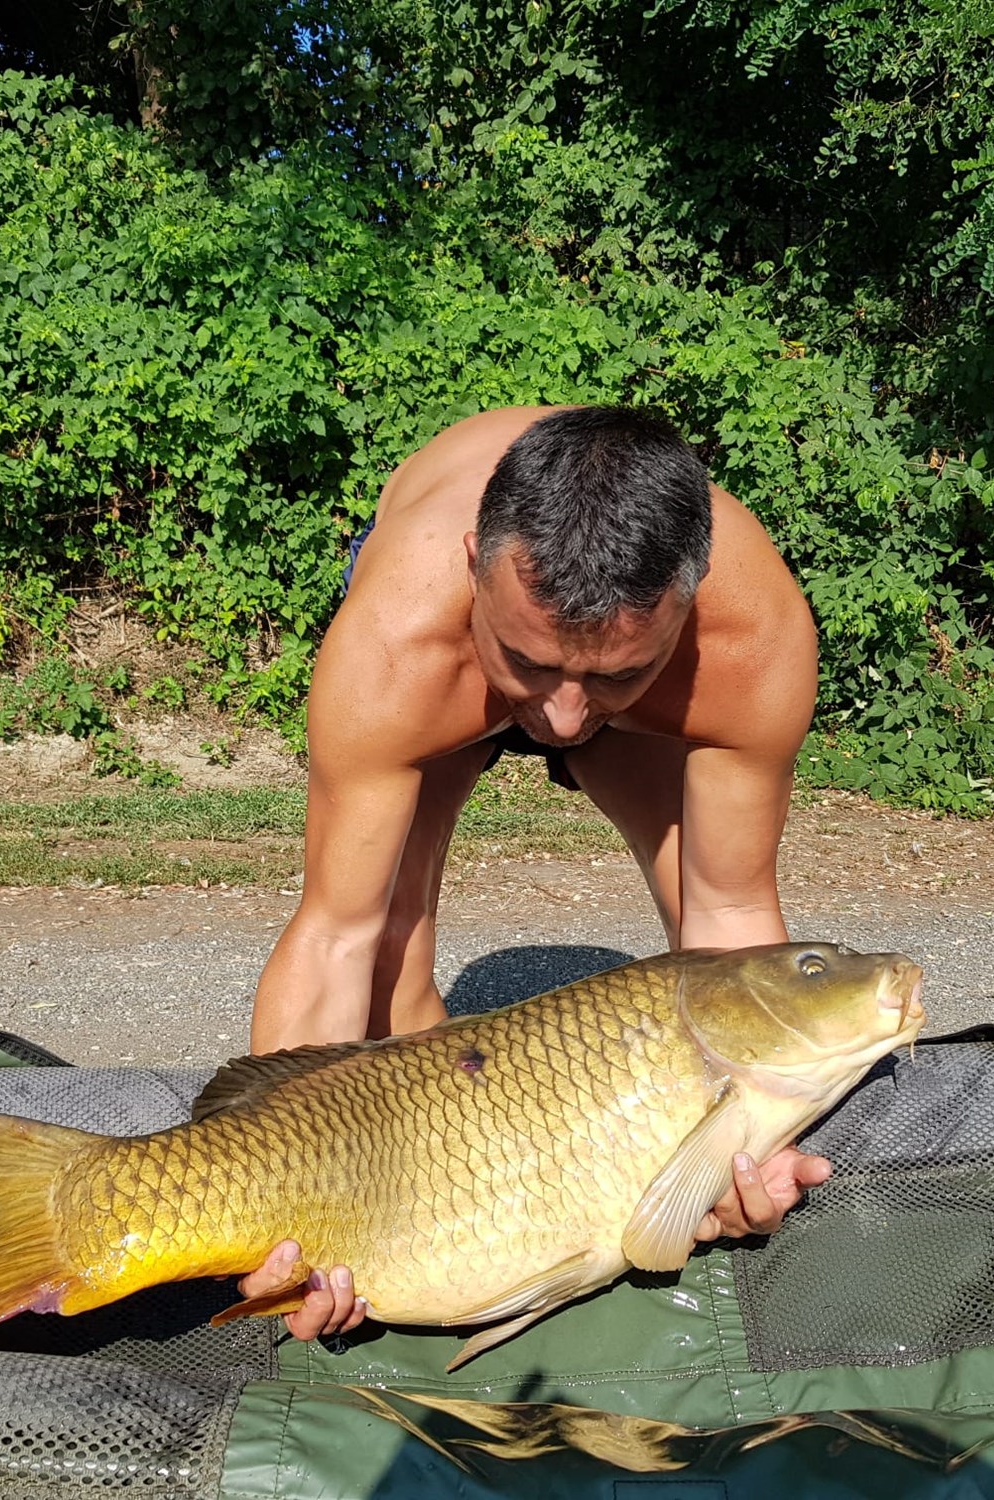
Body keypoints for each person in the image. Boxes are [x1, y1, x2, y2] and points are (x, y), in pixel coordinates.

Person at [238, 404, 827, 1341]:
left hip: (638, 673)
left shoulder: (752, 642)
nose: (557, 720)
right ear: (476, 560)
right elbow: (335, 937)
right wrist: (278, 1203)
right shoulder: (397, 644)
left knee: (728, 990)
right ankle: (425, 1217)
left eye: (613, 676)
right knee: (388, 953)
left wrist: (743, 1149)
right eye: (529, 663)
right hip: (440, 659)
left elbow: (729, 909)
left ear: (691, 596)